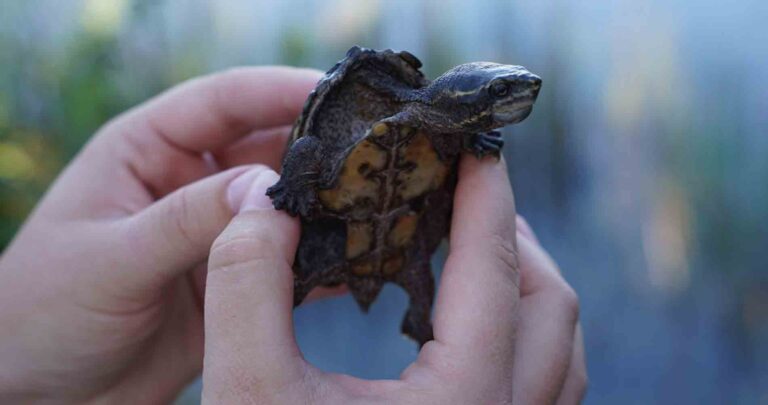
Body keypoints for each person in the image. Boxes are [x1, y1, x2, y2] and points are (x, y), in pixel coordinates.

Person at [0, 67, 586, 404]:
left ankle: (422, 321)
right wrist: (298, 188)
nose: (518, 97)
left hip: (400, 233)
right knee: (295, 280)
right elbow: (307, 149)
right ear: (457, 101)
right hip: (333, 228)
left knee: (422, 288)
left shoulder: (451, 131)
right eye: (495, 96)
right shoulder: (376, 97)